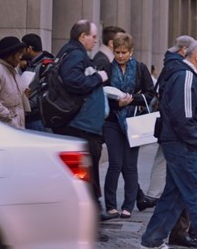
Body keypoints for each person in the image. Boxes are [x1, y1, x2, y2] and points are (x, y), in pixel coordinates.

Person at [139, 40, 197, 249]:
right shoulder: (186, 76)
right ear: (196, 56)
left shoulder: (189, 76)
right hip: (183, 145)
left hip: (183, 143)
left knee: (175, 194)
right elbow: (184, 117)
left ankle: (152, 240)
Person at [54, 20, 126, 242]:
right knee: (84, 179)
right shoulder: (75, 55)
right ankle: (87, 227)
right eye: (93, 36)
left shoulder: (72, 53)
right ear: (82, 36)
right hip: (81, 127)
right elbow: (74, 81)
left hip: (82, 126)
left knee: (85, 178)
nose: (96, 41)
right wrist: (99, 77)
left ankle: (89, 222)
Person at [137, 35, 194, 214]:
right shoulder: (177, 66)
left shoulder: (170, 63)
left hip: (168, 118)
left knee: (164, 157)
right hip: (172, 120)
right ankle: (155, 194)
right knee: (166, 157)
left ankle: (154, 194)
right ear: (184, 50)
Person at [102, 33, 155, 220]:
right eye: (117, 52)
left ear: (131, 51)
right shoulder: (107, 68)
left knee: (130, 165)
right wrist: (118, 104)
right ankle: (110, 205)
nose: (120, 56)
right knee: (115, 163)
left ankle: (128, 205)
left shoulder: (140, 68)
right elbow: (102, 94)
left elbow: (150, 93)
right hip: (112, 121)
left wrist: (132, 99)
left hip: (133, 121)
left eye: (124, 52)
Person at [0, 36, 30, 128]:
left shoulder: (12, 70)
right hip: (1, 125)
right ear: (9, 55)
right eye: (18, 54)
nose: (20, 58)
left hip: (13, 123)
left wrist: (24, 92)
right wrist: (8, 115)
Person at [21, 33, 55, 131]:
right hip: (30, 116)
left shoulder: (46, 66)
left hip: (37, 118)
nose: (20, 52)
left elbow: (45, 92)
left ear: (29, 49)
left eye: (22, 49)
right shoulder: (30, 64)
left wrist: (27, 106)